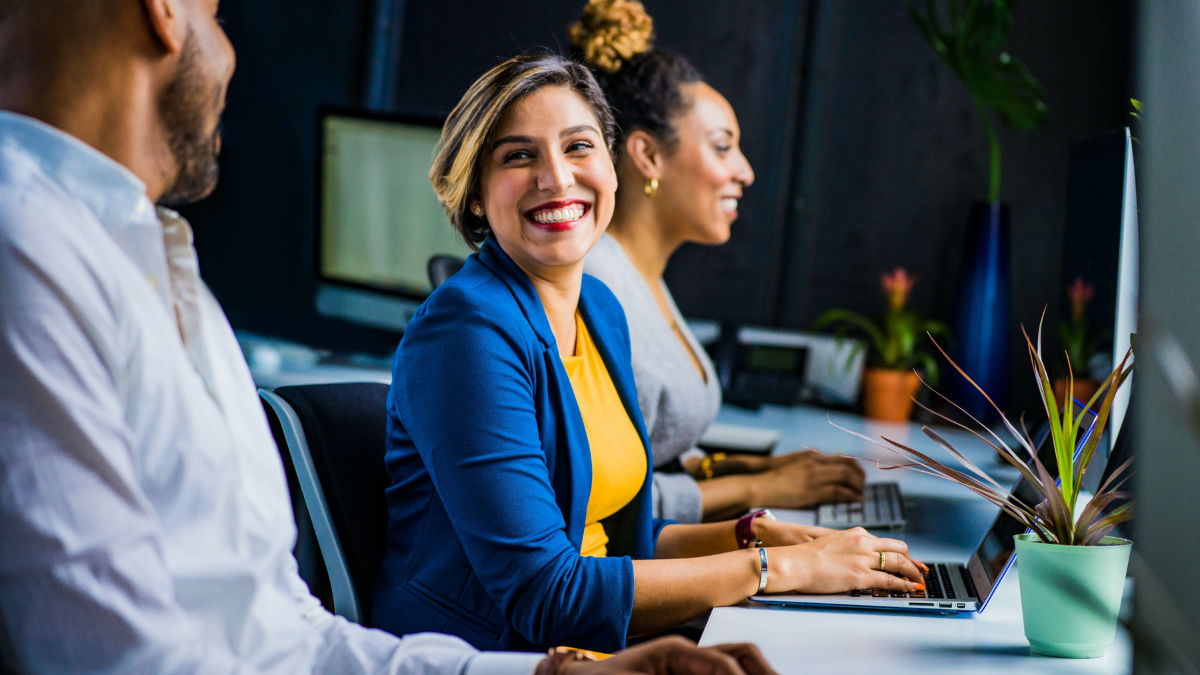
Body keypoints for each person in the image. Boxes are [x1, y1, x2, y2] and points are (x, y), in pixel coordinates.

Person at [0, 2, 776, 674]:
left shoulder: (156, 263)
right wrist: (764, 565)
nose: (231, 52)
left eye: (578, 147)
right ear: (163, 9)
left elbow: (284, 631)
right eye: (216, 13)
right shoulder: (30, 252)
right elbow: (119, 657)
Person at [373, 51, 926, 655]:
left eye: (579, 147)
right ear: (476, 194)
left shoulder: (601, 310)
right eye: (519, 156)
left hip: (598, 646)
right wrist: (778, 569)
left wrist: (757, 536)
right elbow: (546, 593)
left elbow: (619, 542)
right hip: (494, 657)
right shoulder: (467, 332)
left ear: (612, 166)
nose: (557, 177)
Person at [573, 0, 866, 524]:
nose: (746, 171)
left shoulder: (642, 277)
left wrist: (752, 468)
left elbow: (653, 453)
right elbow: (605, 502)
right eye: (722, 147)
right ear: (648, 156)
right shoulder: (597, 287)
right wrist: (760, 487)